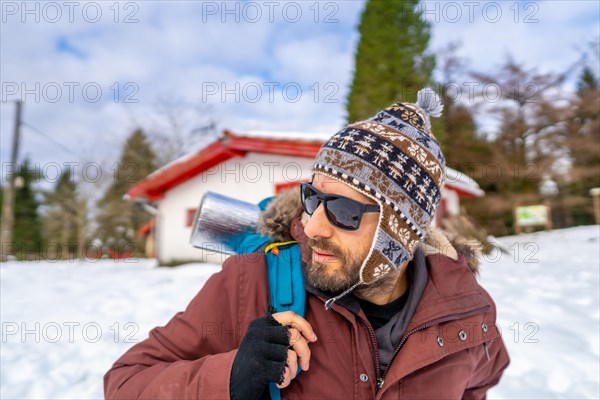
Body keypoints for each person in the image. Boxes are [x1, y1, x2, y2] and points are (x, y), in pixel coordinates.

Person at [104, 88, 509, 399]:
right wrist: (229, 377)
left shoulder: (466, 309)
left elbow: (479, 384)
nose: (313, 226)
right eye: (312, 199)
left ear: (399, 235)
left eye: (344, 211)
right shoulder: (251, 283)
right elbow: (125, 382)